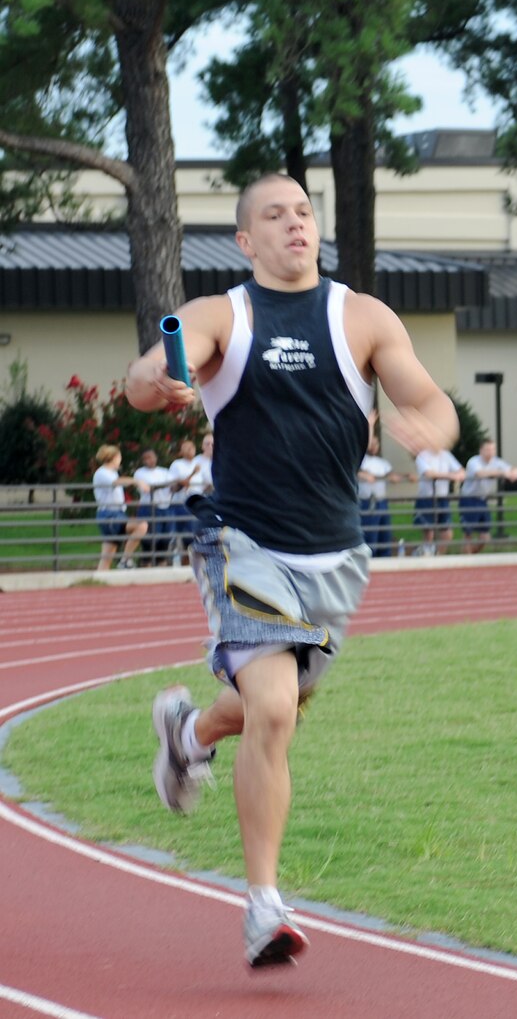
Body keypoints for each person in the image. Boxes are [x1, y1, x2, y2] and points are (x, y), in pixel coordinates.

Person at [129, 171, 458, 968]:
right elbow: (145, 377)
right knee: (274, 707)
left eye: (304, 213)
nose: (294, 225)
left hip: (334, 553)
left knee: (276, 710)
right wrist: (160, 382)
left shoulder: (364, 317)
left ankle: (189, 731)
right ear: (247, 240)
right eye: (274, 216)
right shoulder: (220, 314)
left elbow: (435, 402)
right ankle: (264, 906)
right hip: (242, 539)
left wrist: (426, 425)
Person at [90, 445, 147, 572]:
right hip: (109, 514)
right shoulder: (102, 472)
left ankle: (99, 583)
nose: (120, 460)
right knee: (141, 526)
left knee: (106, 558)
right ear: (114, 458)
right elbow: (116, 482)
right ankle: (125, 560)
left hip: (117, 513)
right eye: (119, 457)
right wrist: (136, 481)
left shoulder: (112, 473)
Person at [459, 441, 517, 556]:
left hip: (482, 500)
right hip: (469, 499)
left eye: (492, 449)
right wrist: (502, 473)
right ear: (481, 450)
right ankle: (466, 557)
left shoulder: (496, 461)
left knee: (485, 536)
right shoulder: (474, 461)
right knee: (468, 533)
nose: (490, 453)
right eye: (487, 450)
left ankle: (472, 555)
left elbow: (512, 469)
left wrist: (514, 472)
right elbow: (480, 473)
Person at [166, 437, 211, 566]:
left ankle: (190, 564)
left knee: (193, 537)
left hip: (196, 505)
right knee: (178, 536)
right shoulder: (177, 464)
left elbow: (205, 484)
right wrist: (192, 473)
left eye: (192, 447)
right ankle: (175, 562)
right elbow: (177, 485)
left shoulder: (200, 464)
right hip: (180, 505)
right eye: (186, 447)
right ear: (181, 451)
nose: (190, 450)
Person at [414, 442, 464, 556]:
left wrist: (457, 475)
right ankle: (426, 554)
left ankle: (439, 556)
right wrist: (451, 476)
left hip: (442, 498)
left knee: (447, 534)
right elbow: (429, 474)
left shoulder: (446, 455)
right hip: (427, 498)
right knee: (429, 533)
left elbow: (461, 471)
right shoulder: (422, 456)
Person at [132, 447, 175, 566]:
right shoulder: (139, 473)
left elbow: (173, 487)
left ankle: (161, 567)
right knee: (149, 541)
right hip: (149, 508)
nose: (149, 460)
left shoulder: (164, 471)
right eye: (146, 458)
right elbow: (148, 489)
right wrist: (166, 485)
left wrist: (179, 484)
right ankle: (146, 565)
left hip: (165, 508)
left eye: (150, 457)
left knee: (164, 541)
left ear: (156, 458)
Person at [356, 434, 396, 558]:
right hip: (368, 502)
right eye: (371, 444)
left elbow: (392, 476)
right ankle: (370, 560)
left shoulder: (382, 463)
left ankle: (385, 559)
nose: (374, 447)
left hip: (382, 501)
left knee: (385, 533)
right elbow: (356, 471)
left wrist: (407, 476)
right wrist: (363, 474)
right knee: (370, 535)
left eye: (376, 444)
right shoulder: (361, 460)